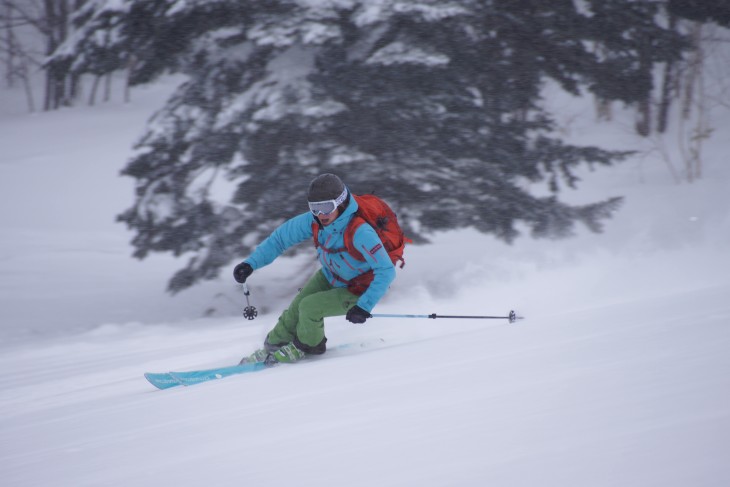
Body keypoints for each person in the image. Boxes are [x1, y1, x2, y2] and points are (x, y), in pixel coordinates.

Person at [233, 173, 396, 364]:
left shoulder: (360, 232)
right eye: (315, 208)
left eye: (326, 207)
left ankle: (309, 345)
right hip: (331, 276)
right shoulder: (314, 221)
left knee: (310, 308)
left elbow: (386, 271)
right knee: (295, 310)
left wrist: (363, 306)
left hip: (359, 289)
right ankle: (275, 345)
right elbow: (280, 239)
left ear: (340, 203)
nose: (321, 215)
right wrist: (251, 263)